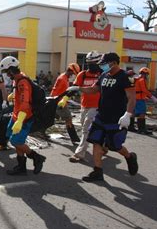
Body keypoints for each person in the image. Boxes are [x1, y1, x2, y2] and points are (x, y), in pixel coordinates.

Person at [68, 52, 138, 182]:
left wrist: (127, 115)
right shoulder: (104, 75)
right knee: (96, 141)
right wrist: (79, 88)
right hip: (101, 116)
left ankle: (129, 157)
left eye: (105, 63)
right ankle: (97, 171)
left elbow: (132, 98)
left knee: (115, 146)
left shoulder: (125, 77)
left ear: (114, 63)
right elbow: (94, 89)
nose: (103, 66)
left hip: (116, 118)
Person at [0, 56, 46, 175]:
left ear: (11, 69)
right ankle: (21, 167)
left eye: (6, 72)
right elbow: (19, 96)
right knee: (13, 139)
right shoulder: (17, 79)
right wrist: (13, 95)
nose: (6, 74)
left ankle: (36, 158)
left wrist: (20, 121)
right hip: (16, 115)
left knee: (16, 141)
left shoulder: (23, 82)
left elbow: (25, 103)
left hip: (24, 117)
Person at [69, 51, 102, 163]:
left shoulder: (103, 75)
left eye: (93, 63)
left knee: (85, 129)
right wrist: (65, 97)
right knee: (86, 127)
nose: (90, 65)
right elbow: (74, 88)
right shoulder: (82, 74)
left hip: (97, 106)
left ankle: (79, 154)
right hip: (84, 105)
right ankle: (104, 145)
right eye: (89, 63)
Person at [50, 63, 81, 143]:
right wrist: (56, 103)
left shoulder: (64, 77)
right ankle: (74, 138)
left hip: (58, 102)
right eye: (73, 73)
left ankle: (40, 131)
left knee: (50, 119)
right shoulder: (62, 79)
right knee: (68, 119)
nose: (73, 75)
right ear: (70, 71)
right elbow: (55, 92)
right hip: (59, 103)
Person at [132, 67, 157, 134]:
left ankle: (131, 127)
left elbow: (138, 90)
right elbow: (144, 90)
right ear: (146, 74)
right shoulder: (142, 80)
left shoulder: (136, 79)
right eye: (147, 74)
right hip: (139, 100)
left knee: (133, 112)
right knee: (142, 113)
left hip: (134, 98)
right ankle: (141, 129)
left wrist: (145, 97)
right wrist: (152, 97)